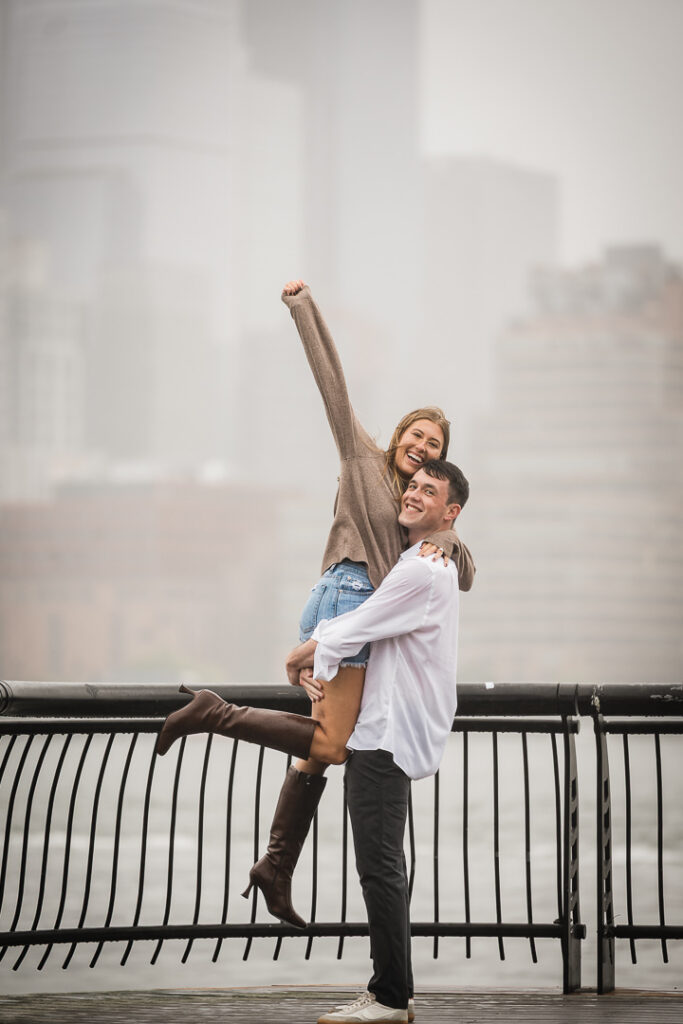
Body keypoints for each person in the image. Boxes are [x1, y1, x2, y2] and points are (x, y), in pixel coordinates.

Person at [240, 281, 474, 928]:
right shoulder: (361, 459)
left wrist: (448, 544)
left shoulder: (415, 506)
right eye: (417, 436)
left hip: (369, 614)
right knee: (332, 741)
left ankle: (275, 865)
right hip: (345, 604)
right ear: (398, 433)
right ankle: (217, 716)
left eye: (433, 447)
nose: (422, 448)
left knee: (322, 748)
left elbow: (465, 567)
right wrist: (301, 306)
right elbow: (331, 384)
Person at [286, 458, 468, 1024]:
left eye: (428, 491)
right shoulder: (419, 561)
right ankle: (394, 990)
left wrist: (303, 652)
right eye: (412, 486)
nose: (413, 494)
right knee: (383, 864)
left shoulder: (423, 570)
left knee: (380, 866)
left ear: (450, 512)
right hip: (386, 729)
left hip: (386, 733)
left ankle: (390, 997)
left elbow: (361, 621)